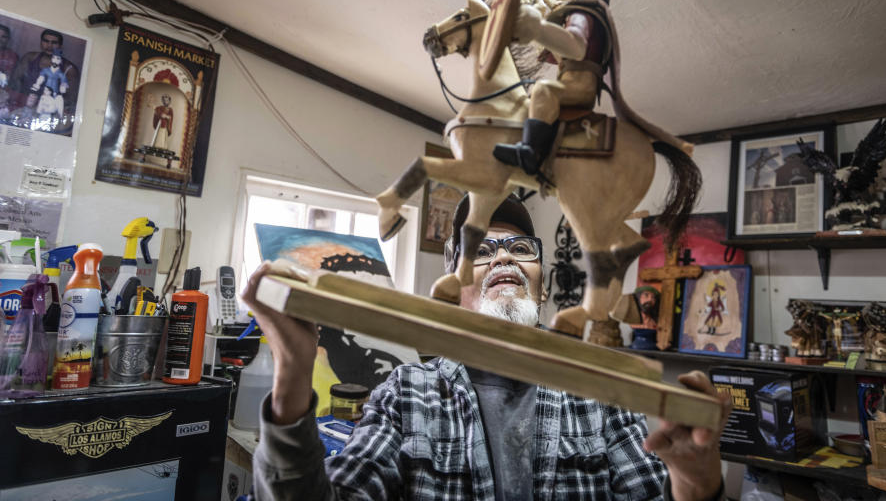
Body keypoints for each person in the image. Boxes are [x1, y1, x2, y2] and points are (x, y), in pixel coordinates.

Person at [244, 194, 731, 501]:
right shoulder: (406, 394)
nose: (504, 257)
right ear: (453, 287)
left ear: (541, 289)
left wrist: (694, 480)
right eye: (482, 250)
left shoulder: (601, 394)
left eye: (521, 250)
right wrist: (292, 374)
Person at [493, 0, 634, 176]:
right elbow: (564, 56)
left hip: (579, 86)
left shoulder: (583, 13)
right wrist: (539, 31)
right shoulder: (576, 11)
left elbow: (576, 48)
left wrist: (538, 28)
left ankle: (531, 153)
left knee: (543, 90)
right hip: (574, 78)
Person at [11, 28, 80, 119]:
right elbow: (14, 81)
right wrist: (25, 101)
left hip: (50, 110)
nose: (49, 45)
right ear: (41, 42)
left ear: (60, 46)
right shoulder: (30, 57)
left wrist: (47, 106)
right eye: (46, 41)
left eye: (54, 42)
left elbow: (71, 99)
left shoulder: (69, 68)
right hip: (24, 105)